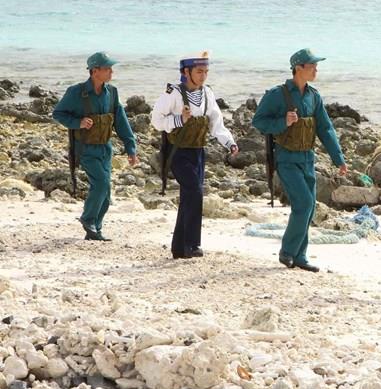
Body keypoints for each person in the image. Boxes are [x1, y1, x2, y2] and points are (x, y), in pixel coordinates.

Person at [252, 48, 347, 272]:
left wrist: (338, 159)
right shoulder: (278, 94)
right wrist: (283, 122)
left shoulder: (314, 96)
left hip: (307, 159)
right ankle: (287, 252)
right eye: (312, 65)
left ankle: (300, 256)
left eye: (315, 65)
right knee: (303, 204)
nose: (316, 69)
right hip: (286, 159)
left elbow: (326, 129)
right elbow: (259, 121)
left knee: (310, 207)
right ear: (298, 68)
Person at [150, 51, 238, 259]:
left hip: (198, 152)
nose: (203, 76)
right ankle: (192, 244)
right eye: (199, 71)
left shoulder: (207, 93)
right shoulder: (172, 94)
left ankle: (179, 248)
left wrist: (230, 143)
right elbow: (156, 120)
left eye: (206, 71)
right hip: (177, 153)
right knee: (194, 191)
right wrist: (179, 120)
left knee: (189, 195)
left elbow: (217, 123)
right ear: (186, 72)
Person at [52, 52, 139, 241]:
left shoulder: (112, 93)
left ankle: (95, 230)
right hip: (85, 149)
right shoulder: (76, 92)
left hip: (105, 149)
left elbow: (121, 122)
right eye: (107, 69)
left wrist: (131, 148)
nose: (111, 72)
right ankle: (88, 218)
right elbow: (58, 114)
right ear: (94, 71)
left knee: (106, 192)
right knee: (100, 184)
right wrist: (78, 122)